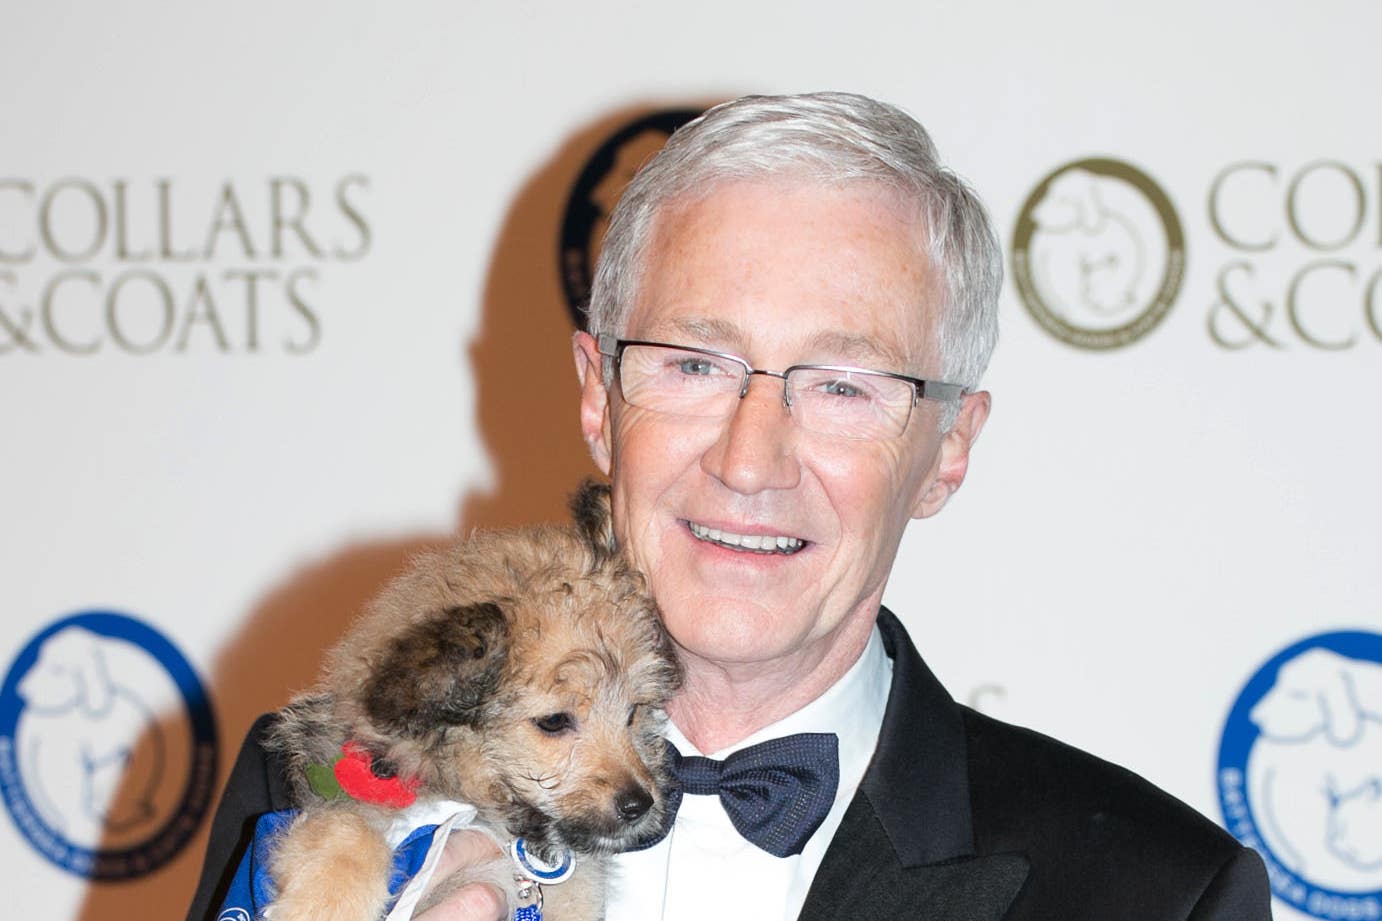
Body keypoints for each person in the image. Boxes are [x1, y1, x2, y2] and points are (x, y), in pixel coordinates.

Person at [185, 92, 1272, 921]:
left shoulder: (1150, 893)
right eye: (696, 365)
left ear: (946, 449)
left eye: (843, 387)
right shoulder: (321, 779)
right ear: (596, 399)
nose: (752, 460)